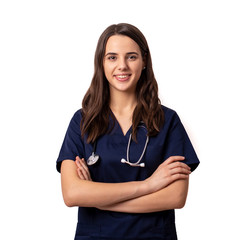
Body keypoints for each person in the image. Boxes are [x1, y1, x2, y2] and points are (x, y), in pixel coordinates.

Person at [56, 23, 199, 239]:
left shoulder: (167, 121)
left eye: (131, 57)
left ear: (143, 62)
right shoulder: (83, 121)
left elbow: (175, 197)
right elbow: (72, 193)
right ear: (101, 63)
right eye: (112, 57)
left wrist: (99, 200)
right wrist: (148, 185)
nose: (122, 65)